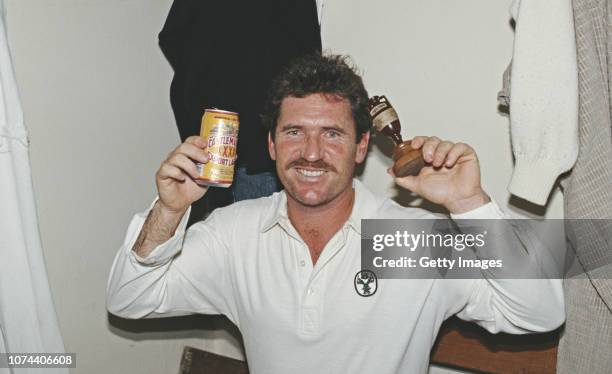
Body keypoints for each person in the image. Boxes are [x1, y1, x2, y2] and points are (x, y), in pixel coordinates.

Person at [107, 54, 564, 374]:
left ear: (361, 146)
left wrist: (470, 205)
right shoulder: (236, 232)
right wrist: (170, 210)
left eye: (331, 134)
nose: (310, 153)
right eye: (293, 132)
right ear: (270, 145)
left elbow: (539, 315)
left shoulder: (407, 240)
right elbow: (129, 299)